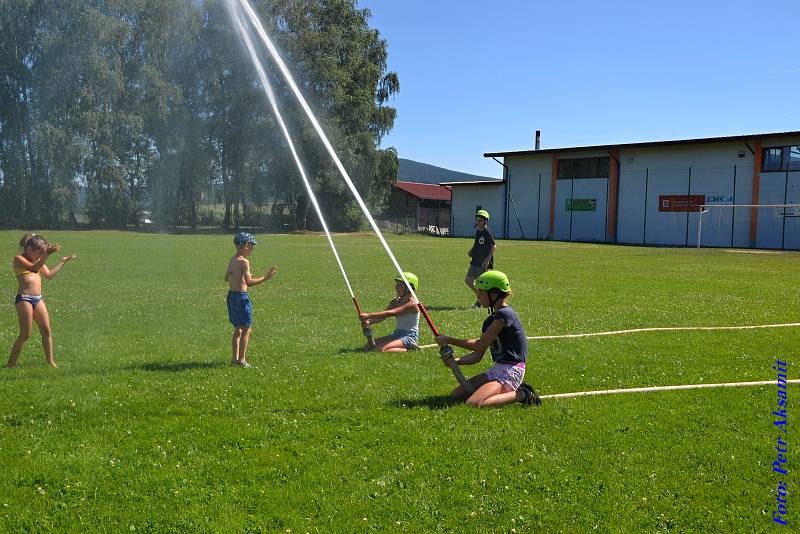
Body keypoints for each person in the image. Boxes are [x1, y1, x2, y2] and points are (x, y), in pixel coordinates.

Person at [435, 270, 541, 407]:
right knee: (456, 395)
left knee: (473, 403)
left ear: (494, 294)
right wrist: (454, 362)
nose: (478, 295)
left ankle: (523, 394)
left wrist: (449, 339)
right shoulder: (490, 321)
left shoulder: (505, 315)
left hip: (511, 372)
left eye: (481, 292)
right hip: (497, 370)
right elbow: (477, 356)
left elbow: (479, 345)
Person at [7, 233, 76, 368]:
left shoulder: (38, 260)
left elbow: (49, 275)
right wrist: (46, 254)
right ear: (29, 249)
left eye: (42, 254)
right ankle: (11, 364)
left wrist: (63, 261)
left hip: (38, 299)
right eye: (38, 253)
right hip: (24, 299)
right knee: (26, 334)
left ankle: (50, 362)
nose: (40, 256)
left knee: (46, 330)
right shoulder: (19, 259)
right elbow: (33, 268)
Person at [224, 232, 277, 368]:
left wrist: (237, 277)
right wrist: (266, 277)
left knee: (238, 329)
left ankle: (234, 359)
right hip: (242, 298)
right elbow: (249, 282)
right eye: (252, 246)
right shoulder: (244, 262)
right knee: (246, 329)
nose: (253, 249)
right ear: (246, 246)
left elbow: (226, 277)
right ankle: (242, 360)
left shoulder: (233, 259)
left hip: (232, 297)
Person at [359, 272, 421, 353]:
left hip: (409, 336)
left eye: (400, 285)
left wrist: (368, 315)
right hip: (397, 334)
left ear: (410, 288)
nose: (396, 288)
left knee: (381, 350)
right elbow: (382, 317)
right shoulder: (396, 301)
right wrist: (368, 322)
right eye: (396, 284)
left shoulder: (413, 304)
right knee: (367, 347)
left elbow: (391, 313)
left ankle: (410, 349)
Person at [465, 209, 496, 308]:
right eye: (477, 220)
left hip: (483, 262)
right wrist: (471, 250)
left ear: (486, 221)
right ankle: (480, 296)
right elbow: (477, 244)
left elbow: (493, 247)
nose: (478, 222)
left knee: (481, 284)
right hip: (475, 260)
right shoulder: (478, 232)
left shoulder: (487, 232)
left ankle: (480, 302)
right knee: (468, 280)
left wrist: (487, 260)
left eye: (481, 220)